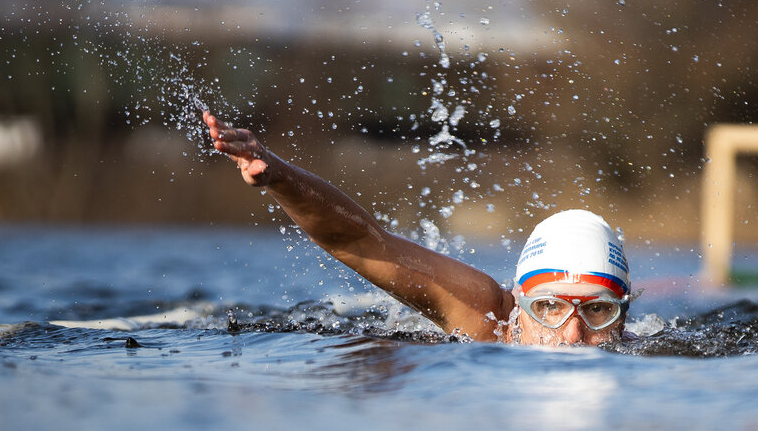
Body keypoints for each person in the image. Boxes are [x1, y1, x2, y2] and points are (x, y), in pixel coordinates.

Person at [203, 111, 633, 346]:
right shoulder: (486, 320)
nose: (574, 337)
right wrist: (279, 174)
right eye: (550, 308)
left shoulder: (654, 351)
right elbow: (361, 241)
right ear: (519, 307)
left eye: (598, 311)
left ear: (624, 318)